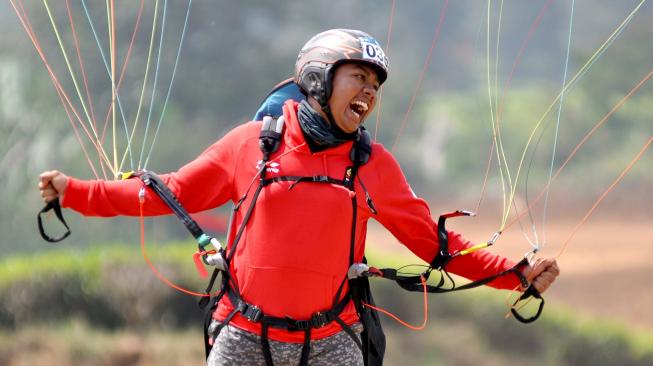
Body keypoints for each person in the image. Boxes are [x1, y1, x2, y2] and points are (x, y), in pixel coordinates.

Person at [39, 29, 559, 366]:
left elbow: (435, 245)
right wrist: (78, 193)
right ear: (317, 78)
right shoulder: (252, 142)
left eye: (376, 84)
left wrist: (516, 273)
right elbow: (170, 193)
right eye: (359, 77)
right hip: (243, 338)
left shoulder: (372, 164)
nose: (370, 92)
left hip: (333, 342)